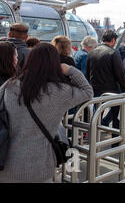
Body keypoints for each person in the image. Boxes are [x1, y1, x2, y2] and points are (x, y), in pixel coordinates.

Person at [0, 43, 93, 183]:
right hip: (40, 168)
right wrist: (70, 70)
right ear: (54, 63)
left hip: (6, 165)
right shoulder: (59, 91)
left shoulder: (8, 86)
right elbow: (87, 91)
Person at [86, 30, 125, 131]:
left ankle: (94, 139)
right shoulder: (113, 53)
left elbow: (87, 74)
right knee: (116, 118)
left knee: (97, 115)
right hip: (112, 92)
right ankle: (116, 142)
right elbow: (120, 74)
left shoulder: (91, 53)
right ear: (113, 40)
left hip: (96, 91)